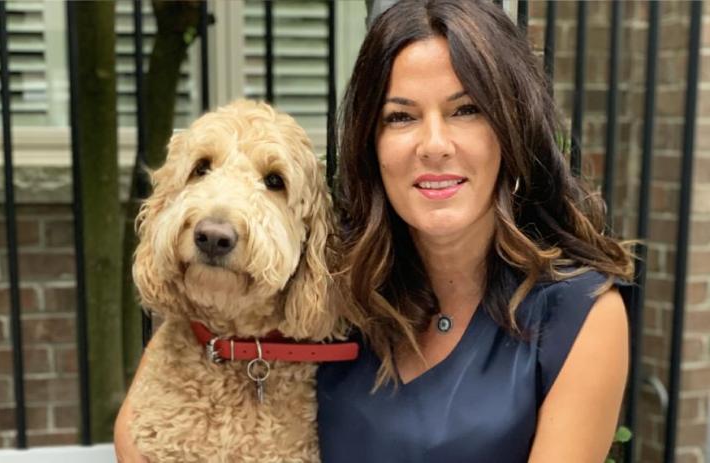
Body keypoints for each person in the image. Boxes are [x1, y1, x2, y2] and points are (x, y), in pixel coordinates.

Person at [115, 1, 632, 461]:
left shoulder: (578, 316)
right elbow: (140, 430)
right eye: (401, 117)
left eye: (466, 110)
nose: (433, 144)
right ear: (371, 143)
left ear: (512, 129)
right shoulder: (337, 280)